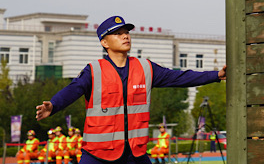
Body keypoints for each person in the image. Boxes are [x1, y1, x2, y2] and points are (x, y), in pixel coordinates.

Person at [35, 15, 227, 164]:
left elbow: (179, 77)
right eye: (117, 33)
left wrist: (216, 75)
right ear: (104, 42)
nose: (125, 36)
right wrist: (54, 105)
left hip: (135, 154)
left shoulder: (146, 68)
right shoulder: (94, 70)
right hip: (97, 154)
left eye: (126, 32)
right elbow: (73, 89)